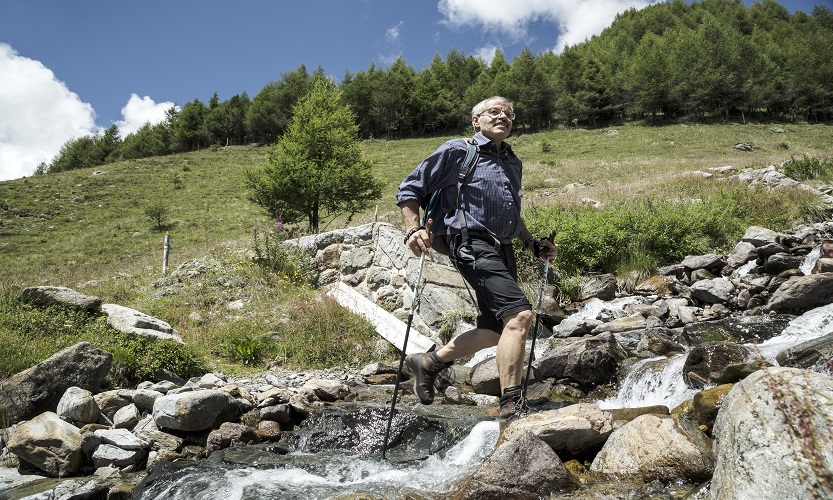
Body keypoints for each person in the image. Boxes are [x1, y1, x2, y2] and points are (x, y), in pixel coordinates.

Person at [396, 96, 557, 424]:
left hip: (505, 248)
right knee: (520, 316)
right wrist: (413, 229)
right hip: (470, 244)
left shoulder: (513, 162)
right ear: (476, 120)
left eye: (509, 114)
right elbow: (410, 188)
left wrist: (531, 244)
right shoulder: (458, 151)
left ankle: (428, 362)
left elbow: (512, 211)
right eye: (495, 112)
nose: (503, 117)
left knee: (495, 332)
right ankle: (512, 403)